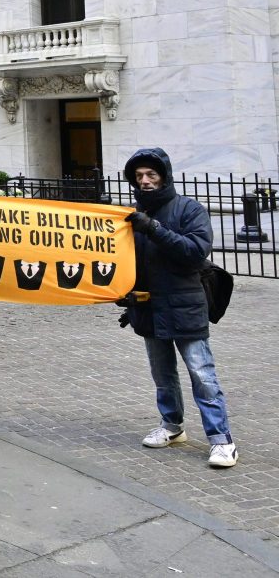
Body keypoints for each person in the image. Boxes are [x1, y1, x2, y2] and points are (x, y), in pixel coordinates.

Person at [120, 148, 236, 469]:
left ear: (164, 176)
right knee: (163, 375)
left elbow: (195, 251)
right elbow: (126, 261)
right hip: (148, 307)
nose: (145, 181)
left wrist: (154, 229)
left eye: (151, 174)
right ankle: (172, 426)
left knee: (202, 375)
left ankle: (221, 439)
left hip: (185, 306)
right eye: (139, 176)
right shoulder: (130, 216)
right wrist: (123, 292)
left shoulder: (189, 209)